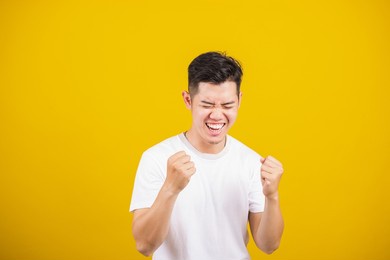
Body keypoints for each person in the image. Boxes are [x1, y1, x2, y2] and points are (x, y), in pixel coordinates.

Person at [130, 51, 284, 260]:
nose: (217, 115)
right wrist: (170, 188)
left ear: (239, 100)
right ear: (188, 100)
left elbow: (268, 245)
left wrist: (272, 196)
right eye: (207, 105)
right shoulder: (156, 158)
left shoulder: (251, 161)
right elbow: (144, 245)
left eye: (227, 105)